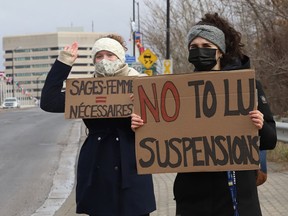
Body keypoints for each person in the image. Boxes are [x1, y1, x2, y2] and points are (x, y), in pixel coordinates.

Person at [131, 13, 277, 216]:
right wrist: (143, 126)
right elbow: (163, 138)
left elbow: (271, 141)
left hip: (236, 195)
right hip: (193, 196)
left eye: (207, 47)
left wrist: (260, 126)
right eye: (194, 47)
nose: (200, 51)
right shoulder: (178, 91)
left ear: (220, 52)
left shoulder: (247, 87)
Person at [40, 34, 156, 216]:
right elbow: (49, 101)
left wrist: (142, 123)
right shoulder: (86, 91)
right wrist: (63, 63)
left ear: (120, 57)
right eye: (99, 56)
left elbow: (162, 124)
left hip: (132, 170)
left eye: (110, 55)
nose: (104, 60)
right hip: (98, 169)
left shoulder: (141, 84)